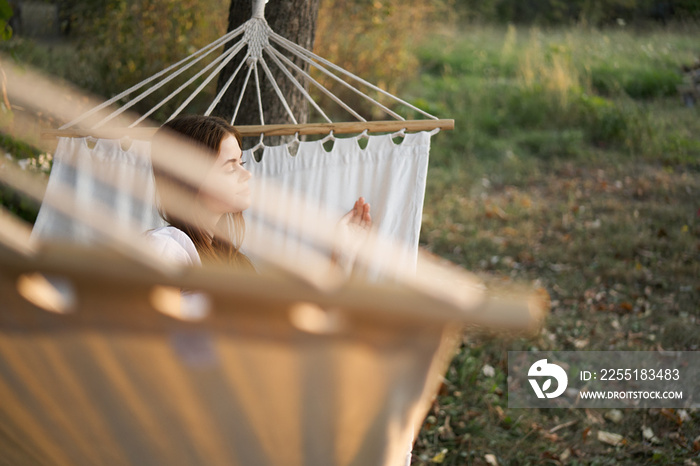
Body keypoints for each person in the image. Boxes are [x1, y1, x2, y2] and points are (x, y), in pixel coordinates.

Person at [146, 114, 371, 272]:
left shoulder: (232, 260)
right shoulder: (167, 247)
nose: (247, 174)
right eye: (231, 166)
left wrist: (341, 255)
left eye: (241, 163)